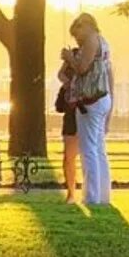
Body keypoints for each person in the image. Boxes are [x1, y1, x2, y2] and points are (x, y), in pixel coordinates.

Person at [62, 13, 113, 206]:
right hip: (102, 98)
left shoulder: (91, 41)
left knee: (88, 149)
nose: (77, 39)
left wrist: (69, 57)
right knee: (99, 149)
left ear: (86, 26)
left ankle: (92, 197)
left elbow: (82, 68)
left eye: (77, 34)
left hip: (90, 101)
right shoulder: (104, 43)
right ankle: (103, 195)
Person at [57, 50, 80, 203]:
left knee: (70, 158)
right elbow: (59, 106)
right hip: (71, 122)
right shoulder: (66, 87)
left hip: (76, 121)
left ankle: (73, 193)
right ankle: (71, 192)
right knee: (69, 158)